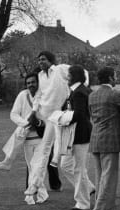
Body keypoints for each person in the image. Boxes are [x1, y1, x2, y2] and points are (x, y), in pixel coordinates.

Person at [25, 51, 87, 197]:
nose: (41, 62)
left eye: (43, 59)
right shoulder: (40, 75)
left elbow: (83, 72)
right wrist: (34, 112)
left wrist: (79, 88)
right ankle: (34, 184)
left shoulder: (60, 69)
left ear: (51, 60)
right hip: (48, 118)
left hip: (63, 116)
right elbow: (39, 95)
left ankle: (87, 188)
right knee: (44, 150)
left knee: (67, 155)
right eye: (39, 60)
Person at [0, 71, 62, 192]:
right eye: (28, 83)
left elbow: (51, 115)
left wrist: (38, 123)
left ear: (38, 83)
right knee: (31, 161)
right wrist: (26, 123)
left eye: (33, 82)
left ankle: (55, 184)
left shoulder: (45, 95)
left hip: (44, 132)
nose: (31, 85)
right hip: (27, 132)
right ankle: (30, 185)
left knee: (47, 159)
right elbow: (13, 114)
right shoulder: (23, 95)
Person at [89, 66, 120, 210]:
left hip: (95, 139)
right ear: (110, 78)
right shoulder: (114, 94)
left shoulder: (92, 95)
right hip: (109, 140)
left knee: (100, 176)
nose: (116, 79)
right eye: (115, 76)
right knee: (109, 177)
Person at [59, 65, 95, 210]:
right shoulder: (77, 91)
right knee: (66, 165)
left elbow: (79, 114)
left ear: (74, 76)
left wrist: (62, 117)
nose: (66, 77)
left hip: (80, 133)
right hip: (75, 133)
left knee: (78, 168)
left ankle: (83, 202)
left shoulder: (80, 92)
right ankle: (90, 188)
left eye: (68, 75)